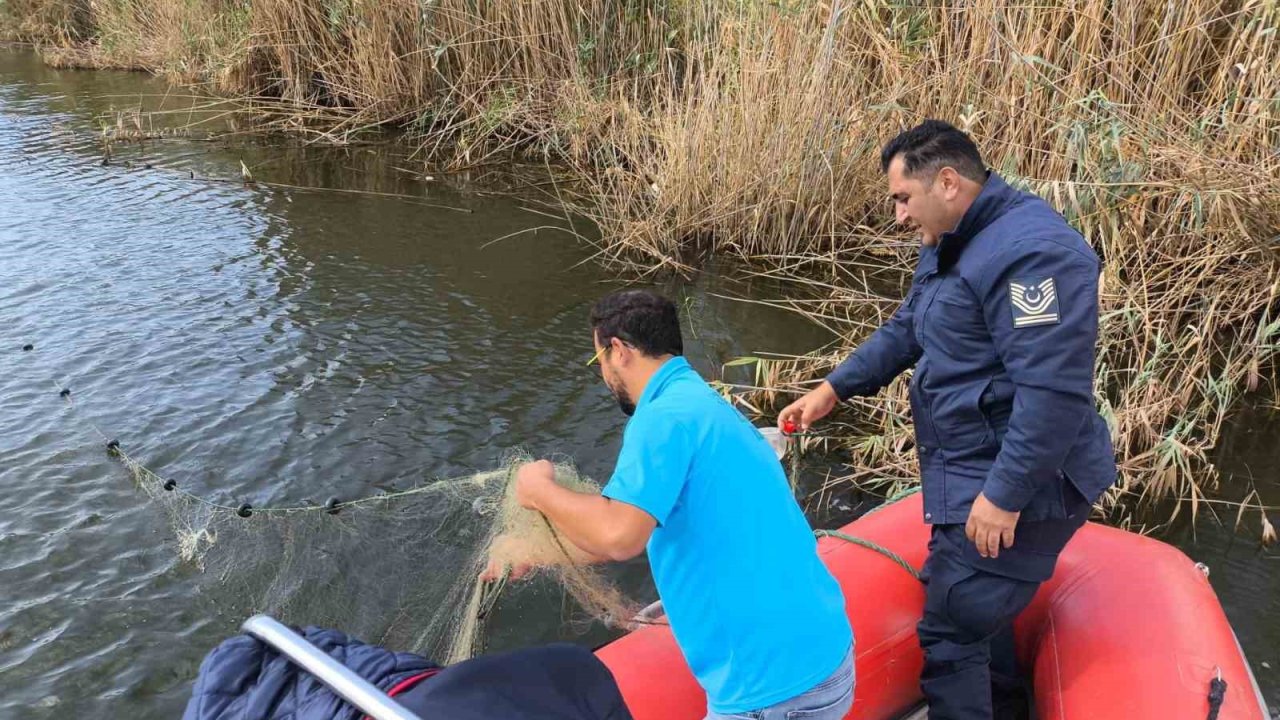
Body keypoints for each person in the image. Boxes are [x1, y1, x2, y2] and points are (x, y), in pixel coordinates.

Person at [777, 120, 1116, 720]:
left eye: (903, 199)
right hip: (965, 470)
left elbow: (1053, 396)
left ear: (949, 182)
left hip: (1023, 488)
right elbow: (910, 326)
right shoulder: (950, 242)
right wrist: (835, 388)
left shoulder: (1034, 255)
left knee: (951, 632)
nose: (900, 216)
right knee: (981, 618)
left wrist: (1003, 496)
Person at [484, 289, 854, 720]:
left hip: (773, 691)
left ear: (618, 351)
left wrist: (538, 492)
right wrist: (532, 551)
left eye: (598, 361)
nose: (602, 375)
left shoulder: (660, 419)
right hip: (824, 656)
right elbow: (626, 528)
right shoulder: (699, 401)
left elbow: (619, 536)